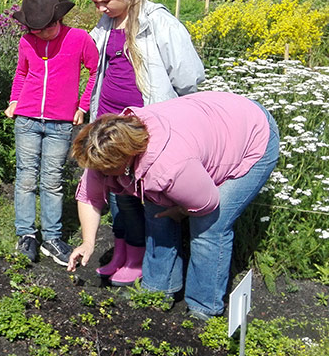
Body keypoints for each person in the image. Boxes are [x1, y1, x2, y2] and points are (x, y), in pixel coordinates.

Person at [67, 91, 280, 320]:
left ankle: (203, 307)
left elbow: (207, 203)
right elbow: (90, 196)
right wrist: (88, 242)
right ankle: (158, 291)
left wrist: (180, 210)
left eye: (104, 169)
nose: (98, 173)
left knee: (209, 226)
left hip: (250, 134)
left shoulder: (167, 167)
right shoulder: (105, 146)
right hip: (208, 122)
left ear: (124, 159)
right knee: (156, 210)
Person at [83, 0, 205, 285]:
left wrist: (175, 117)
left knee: (148, 199)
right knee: (118, 196)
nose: (100, 8)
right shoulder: (107, 25)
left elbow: (189, 77)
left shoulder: (159, 23)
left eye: (105, 1)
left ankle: (147, 267)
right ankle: (122, 252)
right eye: (95, 2)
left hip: (145, 129)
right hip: (108, 122)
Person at [5, 0, 98, 265]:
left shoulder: (79, 38)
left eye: (49, 27)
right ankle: (26, 234)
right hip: (27, 119)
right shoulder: (26, 41)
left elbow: (94, 71)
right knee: (25, 177)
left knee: (53, 180)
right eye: (38, 30)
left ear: (59, 18)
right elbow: (21, 73)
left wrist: (82, 106)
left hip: (60, 122)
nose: (44, 34)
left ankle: (53, 237)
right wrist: (14, 100)